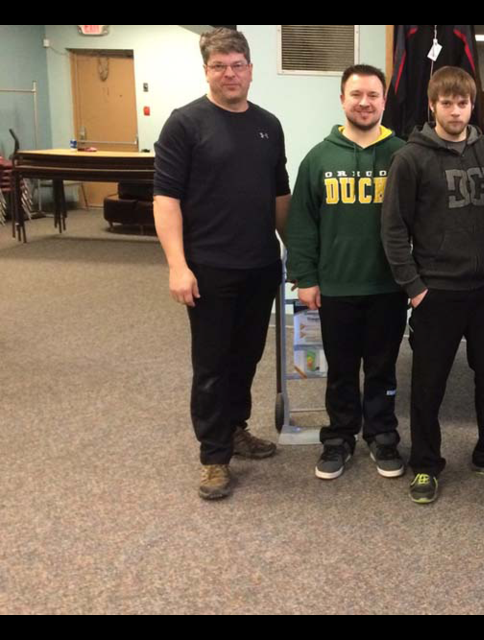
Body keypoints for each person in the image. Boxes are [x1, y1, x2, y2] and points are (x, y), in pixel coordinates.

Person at [154, 28, 290, 500]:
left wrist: (299, 255)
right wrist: (177, 265)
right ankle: (213, 458)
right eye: (219, 66)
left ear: (250, 69)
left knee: (246, 357)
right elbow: (166, 200)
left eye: (237, 65)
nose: (230, 74)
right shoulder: (185, 123)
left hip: (259, 266)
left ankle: (235, 428)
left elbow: (279, 197)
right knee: (211, 364)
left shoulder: (269, 124)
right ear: (207, 71)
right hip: (208, 268)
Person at [381, 66, 484, 505]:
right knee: (428, 384)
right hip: (435, 292)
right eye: (447, 103)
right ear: (432, 105)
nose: (455, 111)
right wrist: (414, 287)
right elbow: (393, 229)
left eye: (462, 103)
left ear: (472, 105)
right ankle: (425, 464)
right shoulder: (410, 158)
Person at [286, 64, 407, 481]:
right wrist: (304, 277)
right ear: (342, 99)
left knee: (382, 368)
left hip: (388, 286)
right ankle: (338, 437)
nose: (364, 102)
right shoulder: (318, 158)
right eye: (356, 94)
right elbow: (302, 224)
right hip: (335, 286)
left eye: (373, 95)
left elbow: (422, 222)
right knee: (339, 370)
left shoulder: (403, 155)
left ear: (384, 100)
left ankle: (382, 434)